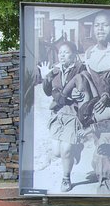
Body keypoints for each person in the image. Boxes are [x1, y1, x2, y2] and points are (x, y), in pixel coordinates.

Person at [37, 41, 87, 192]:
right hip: (58, 112)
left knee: (65, 150)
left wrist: (78, 93)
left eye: (66, 52)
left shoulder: (80, 68)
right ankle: (76, 149)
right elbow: (47, 92)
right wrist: (45, 78)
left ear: (73, 54)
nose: (62, 55)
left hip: (73, 112)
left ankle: (66, 178)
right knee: (57, 152)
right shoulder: (55, 71)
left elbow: (84, 89)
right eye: (60, 53)